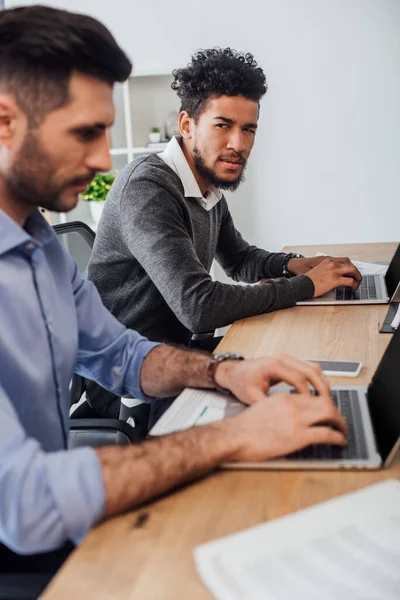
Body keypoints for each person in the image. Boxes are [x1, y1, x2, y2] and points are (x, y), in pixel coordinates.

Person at [0, 6, 347, 591]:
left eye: (106, 131)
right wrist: (233, 435)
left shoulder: (40, 246)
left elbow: (125, 356)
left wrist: (226, 374)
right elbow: (26, 505)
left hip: (60, 514)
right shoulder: (146, 189)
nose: (99, 159)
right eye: (86, 132)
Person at [87, 47, 361, 418]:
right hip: (130, 386)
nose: (239, 144)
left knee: (305, 368)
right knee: (283, 410)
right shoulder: (148, 188)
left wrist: (295, 265)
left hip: (179, 357)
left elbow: (239, 259)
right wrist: (308, 286)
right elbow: (198, 307)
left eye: (248, 129)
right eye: (223, 125)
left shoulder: (208, 185)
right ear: (186, 125)